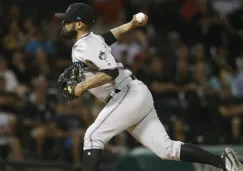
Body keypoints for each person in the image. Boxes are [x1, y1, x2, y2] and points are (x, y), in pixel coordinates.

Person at [55, 3, 243, 171]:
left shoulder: (83, 46)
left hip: (126, 95)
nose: (64, 24)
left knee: (92, 136)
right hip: (135, 94)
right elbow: (109, 37)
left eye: (67, 21)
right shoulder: (92, 40)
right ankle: (224, 162)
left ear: (79, 24)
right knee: (166, 149)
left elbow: (111, 71)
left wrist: (82, 86)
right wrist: (131, 25)